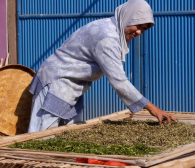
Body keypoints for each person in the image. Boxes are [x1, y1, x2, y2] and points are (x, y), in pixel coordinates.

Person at [28, 0, 177, 133]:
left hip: (71, 85)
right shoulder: (107, 38)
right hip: (56, 82)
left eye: (143, 29)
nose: (139, 32)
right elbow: (119, 81)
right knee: (42, 136)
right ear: (128, 17)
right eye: (138, 25)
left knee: (69, 133)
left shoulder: (111, 29)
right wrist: (152, 108)